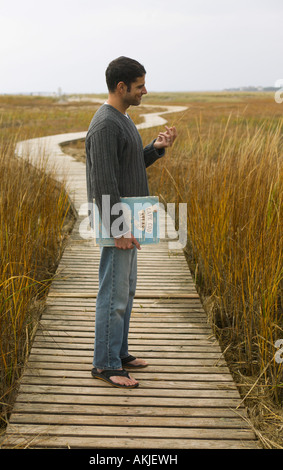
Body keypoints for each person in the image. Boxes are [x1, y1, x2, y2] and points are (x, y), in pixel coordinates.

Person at [85, 56, 177, 388]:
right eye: (140, 86)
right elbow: (103, 182)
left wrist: (155, 148)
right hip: (119, 223)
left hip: (129, 219)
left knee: (127, 290)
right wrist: (118, 230)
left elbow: (127, 165)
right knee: (113, 293)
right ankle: (105, 364)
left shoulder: (121, 118)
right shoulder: (106, 123)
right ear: (122, 87)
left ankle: (119, 352)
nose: (145, 91)